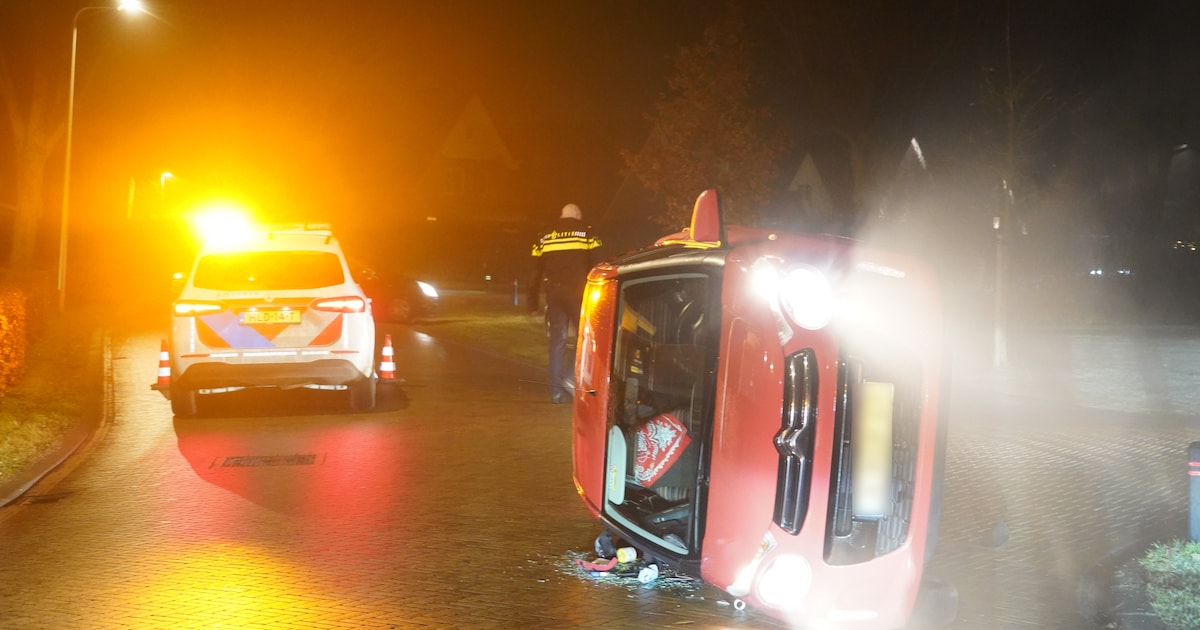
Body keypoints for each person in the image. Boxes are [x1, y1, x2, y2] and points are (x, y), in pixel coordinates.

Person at [529, 203, 602, 404]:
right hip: (578, 294)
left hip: (554, 294)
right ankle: (570, 378)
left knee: (557, 342)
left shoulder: (544, 236)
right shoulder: (586, 233)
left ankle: (555, 392)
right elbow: (598, 264)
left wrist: (532, 303)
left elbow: (534, 272)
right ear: (577, 215)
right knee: (586, 339)